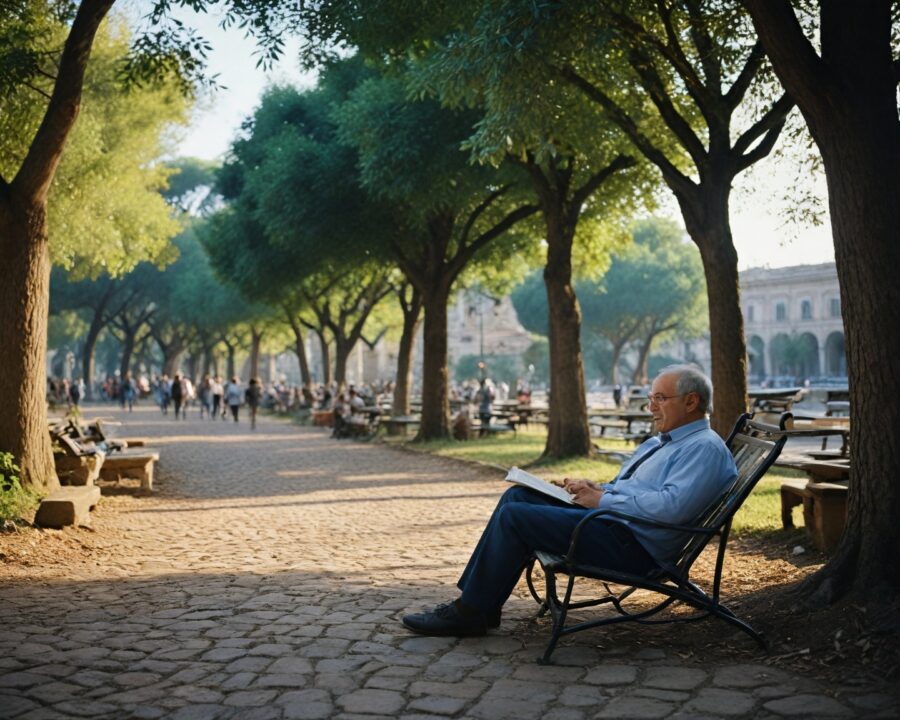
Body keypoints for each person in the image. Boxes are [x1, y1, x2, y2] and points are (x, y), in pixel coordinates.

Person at [402, 364, 738, 637]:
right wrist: (597, 488)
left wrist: (601, 500)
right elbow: (637, 489)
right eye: (651, 398)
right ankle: (481, 606)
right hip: (615, 526)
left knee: (515, 517)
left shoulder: (703, 448)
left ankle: (470, 612)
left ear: (691, 402)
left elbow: (671, 508)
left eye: (660, 399)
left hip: (634, 547)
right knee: (518, 494)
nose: (651, 407)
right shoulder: (666, 442)